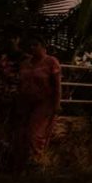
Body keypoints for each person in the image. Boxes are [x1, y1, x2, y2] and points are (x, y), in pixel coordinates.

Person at [11, 37, 63, 171]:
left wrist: (57, 104)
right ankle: (24, 164)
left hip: (44, 102)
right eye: (31, 45)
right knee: (21, 134)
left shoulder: (51, 62)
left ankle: (38, 163)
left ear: (42, 46)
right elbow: (20, 82)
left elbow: (57, 85)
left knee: (34, 134)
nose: (32, 48)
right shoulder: (26, 63)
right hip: (26, 102)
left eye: (36, 45)